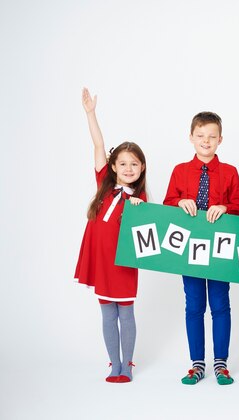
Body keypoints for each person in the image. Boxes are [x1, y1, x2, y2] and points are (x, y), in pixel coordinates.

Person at [163, 111, 239, 385]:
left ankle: (221, 363)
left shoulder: (230, 172)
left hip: (220, 248)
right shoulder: (180, 171)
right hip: (190, 248)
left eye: (211, 136)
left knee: (221, 303)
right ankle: (197, 364)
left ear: (220, 139)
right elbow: (167, 204)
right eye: (200, 136)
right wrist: (179, 203)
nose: (206, 141)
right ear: (191, 138)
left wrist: (225, 207)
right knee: (194, 304)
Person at [74, 87, 147, 383]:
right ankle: (113, 363)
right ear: (113, 166)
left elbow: (148, 235)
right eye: (123, 164)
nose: (128, 168)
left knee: (126, 313)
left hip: (123, 262)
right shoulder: (104, 184)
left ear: (142, 168)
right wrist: (91, 113)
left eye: (134, 164)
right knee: (107, 313)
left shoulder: (140, 200)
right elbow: (98, 144)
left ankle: (127, 364)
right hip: (100, 258)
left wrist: (140, 209)